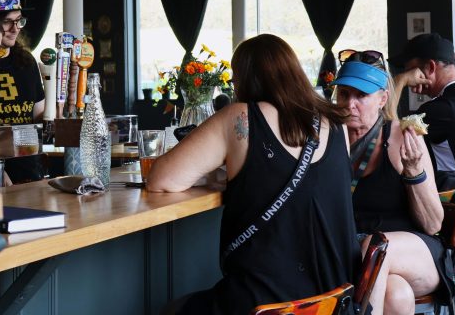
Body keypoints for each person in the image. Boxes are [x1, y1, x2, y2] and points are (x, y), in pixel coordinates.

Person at [147, 34, 358, 315]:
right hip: (335, 302)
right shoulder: (337, 124)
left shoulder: (241, 118)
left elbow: (161, 179)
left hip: (264, 304)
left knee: (172, 310)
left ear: (245, 79)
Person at [330, 49, 450, 313]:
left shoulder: (401, 136)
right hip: (354, 251)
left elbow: (433, 224)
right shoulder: (328, 139)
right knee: (396, 295)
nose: (350, 104)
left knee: (376, 246)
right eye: (344, 94)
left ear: (383, 99)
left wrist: (413, 171)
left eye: (361, 95)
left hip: (411, 250)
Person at [388, 33, 455, 190]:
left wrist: (400, 81)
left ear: (431, 67)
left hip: (451, 197)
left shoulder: (441, 110)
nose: (411, 81)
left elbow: (389, 134)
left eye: (410, 71)